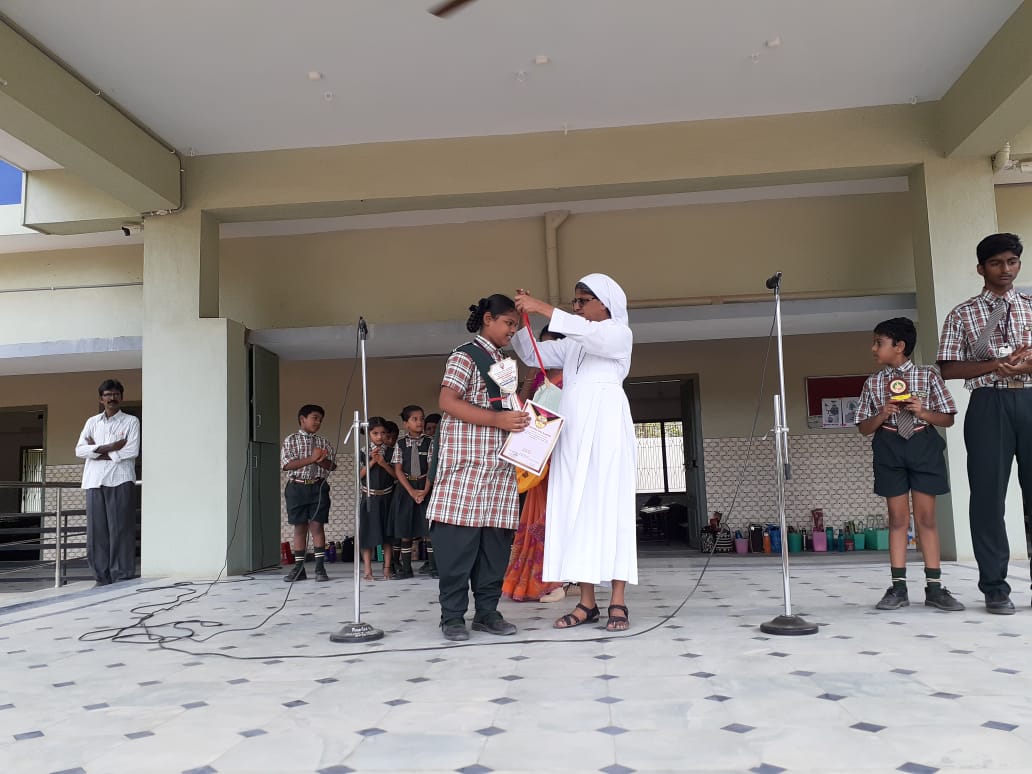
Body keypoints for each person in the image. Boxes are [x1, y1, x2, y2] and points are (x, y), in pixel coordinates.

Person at [513, 274, 637, 632]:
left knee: (612, 510)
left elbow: (591, 335)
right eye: (575, 301)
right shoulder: (572, 345)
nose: (577, 307)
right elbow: (531, 353)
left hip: (608, 432)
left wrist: (542, 307)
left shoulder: (618, 333)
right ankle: (587, 603)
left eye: (583, 301)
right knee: (576, 511)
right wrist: (522, 317)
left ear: (606, 304)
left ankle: (618, 601)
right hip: (573, 436)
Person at [937, 232, 1032, 614]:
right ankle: (995, 588)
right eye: (996, 263)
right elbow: (948, 368)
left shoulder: (1031, 307)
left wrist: (1024, 367)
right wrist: (996, 364)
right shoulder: (962, 314)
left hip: (1030, 397)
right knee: (988, 498)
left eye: (1011, 261)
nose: (1005, 269)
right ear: (981, 269)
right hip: (988, 404)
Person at [427, 294, 530, 641]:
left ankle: (487, 613)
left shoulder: (505, 363)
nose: (512, 331)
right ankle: (453, 617)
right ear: (488, 319)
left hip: (499, 471)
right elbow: (447, 401)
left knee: (494, 552)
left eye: (515, 325)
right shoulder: (465, 355)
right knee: (457, 550)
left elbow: (507, 409)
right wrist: (497, 419)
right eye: (508, 323)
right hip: (466, 470)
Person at [855, 317, 963, 611]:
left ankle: (935, 588)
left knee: (926, 518)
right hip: (889, 447)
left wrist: (922, 411)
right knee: (897, 519)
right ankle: (898, 588)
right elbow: (864, 428)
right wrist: (883, 413)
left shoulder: (928, 376)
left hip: (922, 444)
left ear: (899, 346)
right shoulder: (873, 382)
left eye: (879, 342)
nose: (873, 348)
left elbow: (948, 419)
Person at [503, 325, 566, 603]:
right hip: (537, 459)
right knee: (536, 519)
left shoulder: (572, 379)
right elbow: (524, 409)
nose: (544, 351)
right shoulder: (542, 378)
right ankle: (538, 580)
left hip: (558, 459)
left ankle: (556, 582)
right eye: (541, 346)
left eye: (551, 345)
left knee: (553, 519)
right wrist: (529, 377)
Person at [75, 379, 141, 586]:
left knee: (121, 529)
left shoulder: (131, 421)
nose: (112, 398)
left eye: (115, 394)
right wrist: (112, 447)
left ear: (121, 397)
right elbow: (79, 450)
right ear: (101, 399)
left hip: (120, 479)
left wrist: (96, 450)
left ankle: (122, 574)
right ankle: (101, 576)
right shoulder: (92, 422)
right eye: (107, 395)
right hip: (94, 481)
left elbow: (131, 451)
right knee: (96, 532)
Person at [281, 404, 337, 582]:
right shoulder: (291, 440)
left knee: (317, 526)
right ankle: (299, 569)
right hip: (297, 487)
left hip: (318, 486)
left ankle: (320, 568)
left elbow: (332, 466)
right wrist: (312, 459)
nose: (318, 422)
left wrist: (320, 461)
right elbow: (287, 465)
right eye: (314, 418)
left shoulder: (323, 442)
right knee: (299, 527)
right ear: (302, 419)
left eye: (320, 419)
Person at [389, 405, 433, 579]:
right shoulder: (400, 444)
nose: (419, 422)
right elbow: (398, 470)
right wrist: (412, 491)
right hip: (406, 488)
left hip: (425, 485)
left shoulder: (430, 442)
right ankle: (407, 569)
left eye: (422, 418)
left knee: (428, 529)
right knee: (405, 530)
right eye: (414, 419)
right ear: (405, 423)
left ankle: (434, 567)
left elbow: (431, 469)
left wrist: (425, 490)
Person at [358, 416, 396, 581]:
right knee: (367, 534)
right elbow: (359, 475)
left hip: (387, 496)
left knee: (388, 534)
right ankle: (368, 570)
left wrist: (383, 463)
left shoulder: (392, 451)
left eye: (383, 433)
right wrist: (373, 461)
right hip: (369, 497)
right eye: (375, 433)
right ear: (368, 434)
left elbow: (396, 475)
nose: (379, 437)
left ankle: (387, 568)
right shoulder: (363, 452)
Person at [417, 412, 442, 576]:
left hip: (440, 488)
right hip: (425, 490)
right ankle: (430, 561)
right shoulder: (422, 445)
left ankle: (438, 563)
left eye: (435, 428)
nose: (432, 432)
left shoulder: (441, 444)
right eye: (429, 429)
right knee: (426, 529)